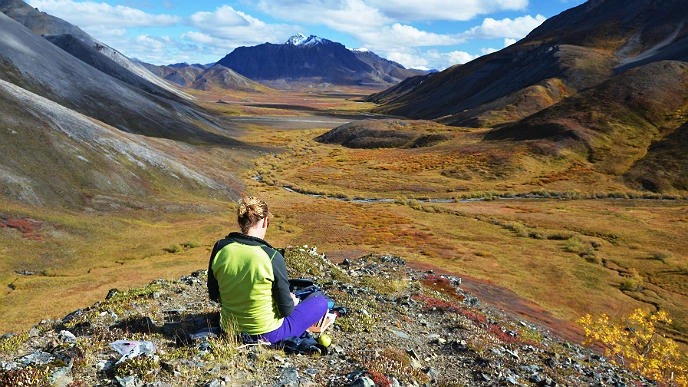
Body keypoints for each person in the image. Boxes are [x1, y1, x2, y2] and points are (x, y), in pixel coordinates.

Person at [207, 196, 328, 344]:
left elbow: (214, 294)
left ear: (240, 222)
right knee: (321, 302)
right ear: (265, 221)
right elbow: (286, 311)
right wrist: (293, 301)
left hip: (228, 330)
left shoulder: (220, 247)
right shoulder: (272, 257)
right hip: (268, 335)